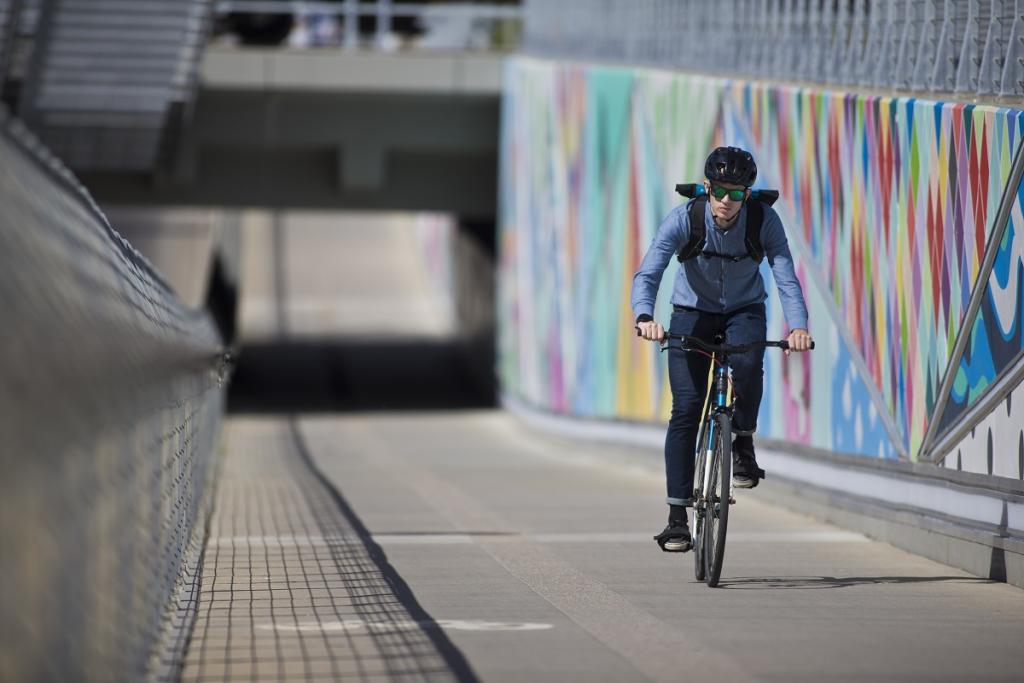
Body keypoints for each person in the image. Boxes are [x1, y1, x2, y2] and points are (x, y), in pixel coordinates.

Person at [632, 146, 813, 552]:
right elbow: (651, 270)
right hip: (691, 313)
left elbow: (785, 276)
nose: (726, 202)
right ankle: (678, 520)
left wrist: (798, 327)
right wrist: (645, 318)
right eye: (719, 191)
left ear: (747, 194)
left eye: (736, 193)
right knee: (686, 407)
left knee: (749, 362)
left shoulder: (764, 221)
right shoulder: (686, 218)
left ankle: (743, 441)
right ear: (707, 188)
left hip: (743, 312)